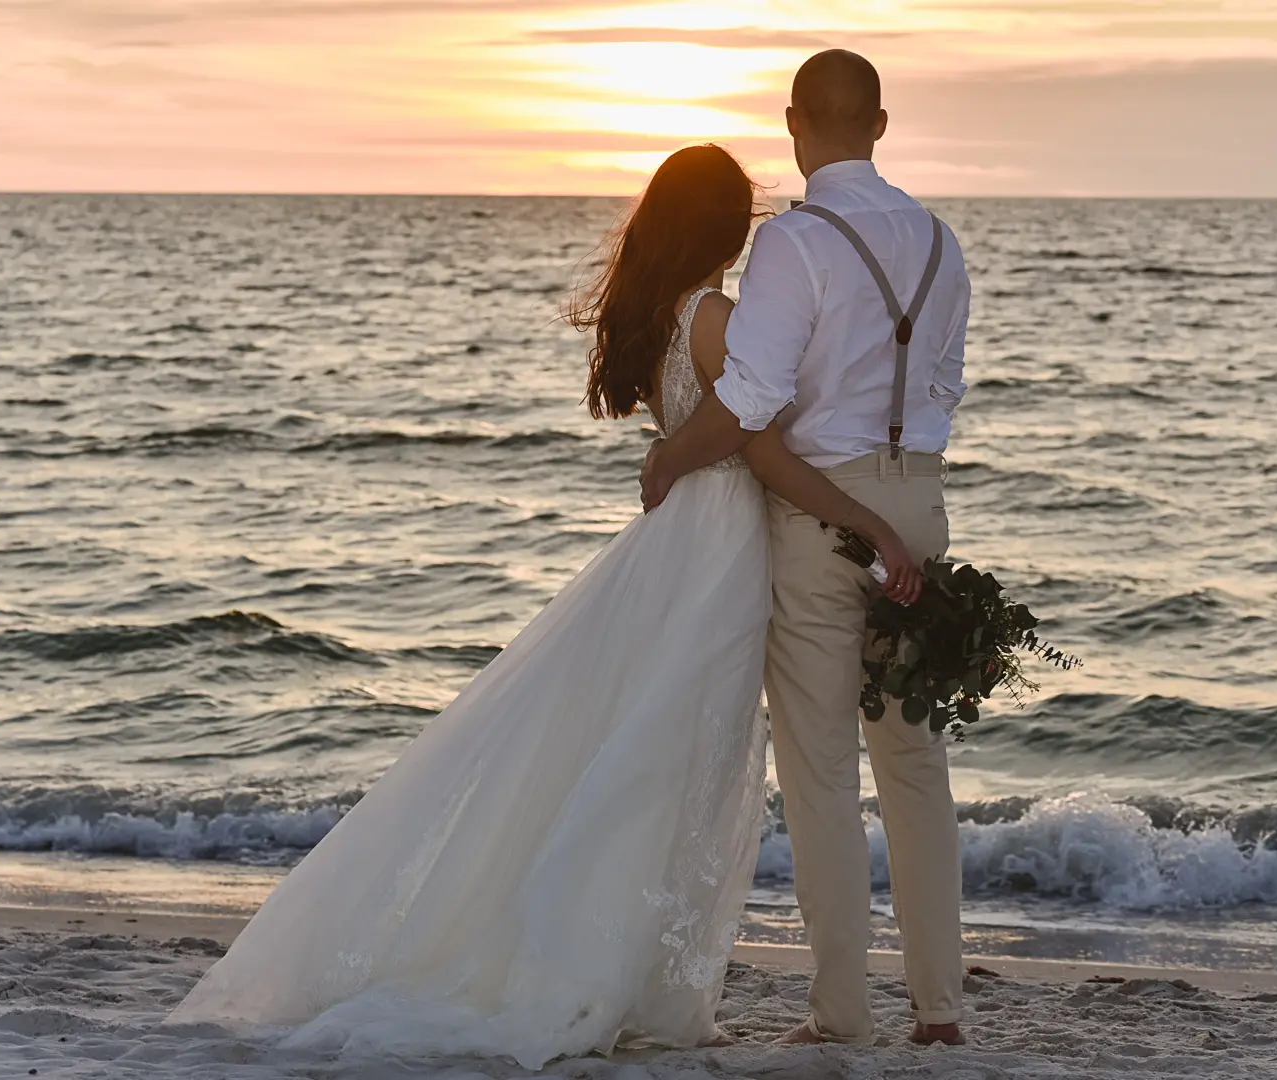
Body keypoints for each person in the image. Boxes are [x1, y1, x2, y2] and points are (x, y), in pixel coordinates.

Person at [163, 140, 923, 1069]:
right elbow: (757, 450)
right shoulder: (716, 315)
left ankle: (630, 974)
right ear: (728, 225)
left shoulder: (663, 314)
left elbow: (710, 436)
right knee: (671, 762)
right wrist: (871, 526)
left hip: (686, 538)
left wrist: (675, 460)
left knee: (655, 755)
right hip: (717, 546)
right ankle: (609, 976)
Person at [641, 48, 973, 1047]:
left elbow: (749, 401)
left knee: (823, 770)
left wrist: (669, 460)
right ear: (878, 123)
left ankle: (840, 1014)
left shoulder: (792, 243)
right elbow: (946, 385)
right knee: (915, 766)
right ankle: (941, 1010)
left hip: (824, 513)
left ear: (795, 123)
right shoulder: (940, 239)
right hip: (921, 501)